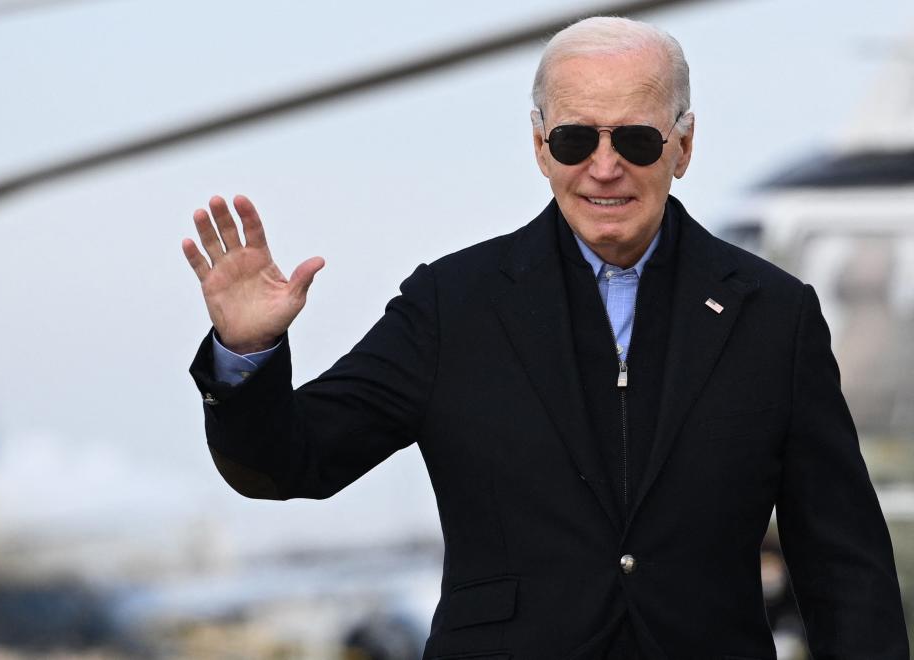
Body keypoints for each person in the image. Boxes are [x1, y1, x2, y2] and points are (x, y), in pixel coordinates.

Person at [183, 16, 909, 660]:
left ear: (683, 146)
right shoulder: (451, 304)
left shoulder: (775, 316)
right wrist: (246, 354)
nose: (603, 166)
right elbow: (291, 462)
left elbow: (845, 565)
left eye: (635, 138)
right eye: (573, 139)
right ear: (539, 146)